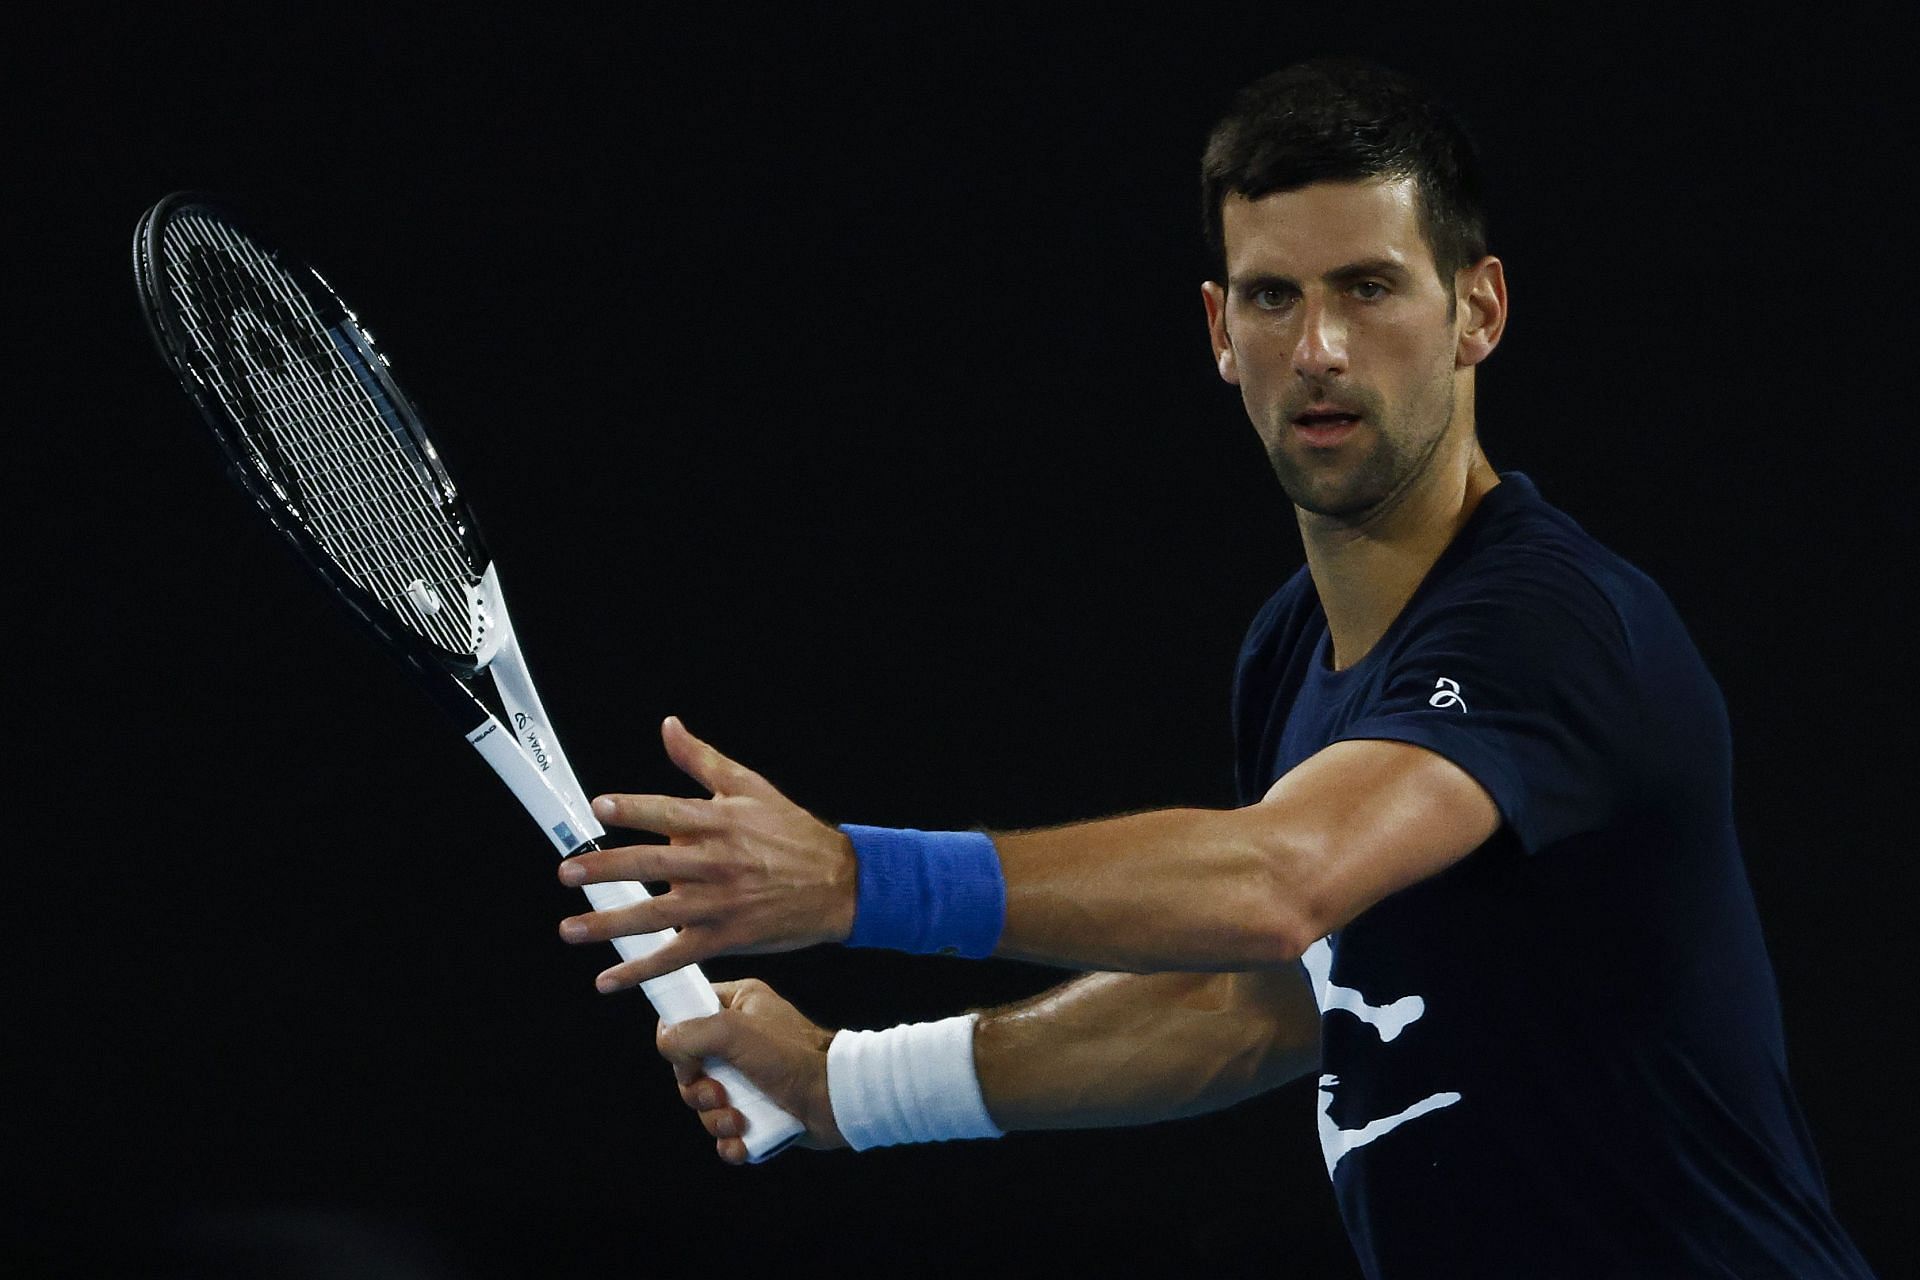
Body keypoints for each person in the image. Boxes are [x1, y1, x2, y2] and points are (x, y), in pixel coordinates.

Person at [553, 59, 1875, 1278]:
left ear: (1479, 308)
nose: (1319, 352)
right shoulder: (1290, 647)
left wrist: (854, 878)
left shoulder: (1555, 625)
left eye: (1369, 286)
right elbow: (1259, 1009)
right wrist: (853, 1084)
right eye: (1271, 296)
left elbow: (1279, 884)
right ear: (1216, 329)